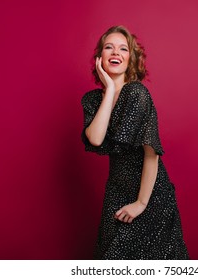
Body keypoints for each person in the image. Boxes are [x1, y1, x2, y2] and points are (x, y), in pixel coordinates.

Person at [81, 25, 189, 259]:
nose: (115, 52)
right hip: (116, 192)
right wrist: (109, 89)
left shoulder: (137, 94)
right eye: (109, 47)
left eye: (123, 48)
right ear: (100, 57)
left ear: (131, 58)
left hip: (149, 193)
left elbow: (152, 153)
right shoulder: (92, 100)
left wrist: (141, 203)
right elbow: (96, 138)